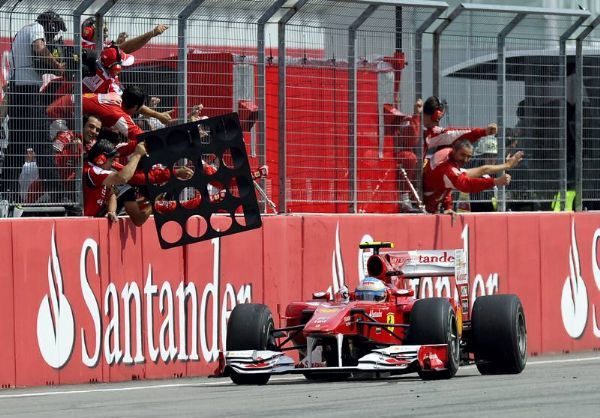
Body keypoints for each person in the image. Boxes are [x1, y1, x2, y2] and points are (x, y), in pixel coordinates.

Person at [3, 11, 66, 203]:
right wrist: (58, 66)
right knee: (37, 147)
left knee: (22, 148)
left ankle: (6, 194)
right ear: (50, 25)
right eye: (53, 32)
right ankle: (58, 196)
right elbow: (39, 48)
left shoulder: (22, 32)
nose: (53, 37)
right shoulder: (36, 29)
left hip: (21, 93)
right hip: (26, 95)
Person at [423, 139, 523, 214]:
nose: (466, 160)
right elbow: (466, 184)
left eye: (469, 157)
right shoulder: (448, 169)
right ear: (454, 151)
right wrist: (496, 181)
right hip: (427, 207)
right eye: (488, 155)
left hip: (434, 205)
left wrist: (506, 166)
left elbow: (483, 169)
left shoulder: (449, 156)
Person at [83, 138, 146, 221]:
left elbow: (112, 193)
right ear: (100, 159)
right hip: (83, 221)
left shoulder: (101, 171)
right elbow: (123, 177)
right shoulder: (93, 171)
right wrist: (137, 155)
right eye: (111, 160)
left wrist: (111, 211)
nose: (113, 164)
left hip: (92, 220)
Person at [422, 96, 497, 161]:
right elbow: (456, 134)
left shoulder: (415, 122)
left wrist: (483, 132)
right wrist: (483, 132)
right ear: (436, 115)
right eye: (440, 117)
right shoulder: (430, 132)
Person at [81, 17, 168, 54]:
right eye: (102, 26)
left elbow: (115, 50)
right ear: (89, 31)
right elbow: (123, 49)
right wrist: (152, 33)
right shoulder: (87, 48)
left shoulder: (96, 47)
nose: (106, 29)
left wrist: (117, 43)